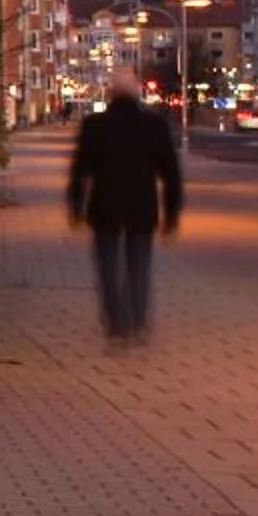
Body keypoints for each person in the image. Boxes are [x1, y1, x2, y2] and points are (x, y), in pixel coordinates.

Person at [66, 65, 183, 342]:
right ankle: (138, 321)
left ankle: (115, 321)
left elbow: (80, 170)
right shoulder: (154, 125)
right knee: (139, 264)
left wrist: (76, 207)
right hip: (142, 208)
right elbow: (171, 174)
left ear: (111, 93)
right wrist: (172, 215)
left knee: (108, 265)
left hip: (105, 206)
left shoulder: (95, 126)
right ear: (138, 93)